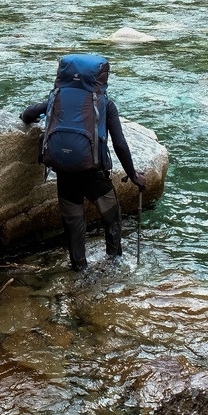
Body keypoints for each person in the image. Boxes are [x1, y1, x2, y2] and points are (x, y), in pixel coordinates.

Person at [21, 54, 145, 272]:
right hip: (94, 176)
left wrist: (29, 117)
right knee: (113, 219)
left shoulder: (56, 98)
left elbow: (28, 114)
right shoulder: (104, 104)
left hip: (65, 174)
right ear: (100, 78)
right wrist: (133, 175)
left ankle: (79, 270)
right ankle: (114, 263)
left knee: (73, 226)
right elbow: (120, 144)